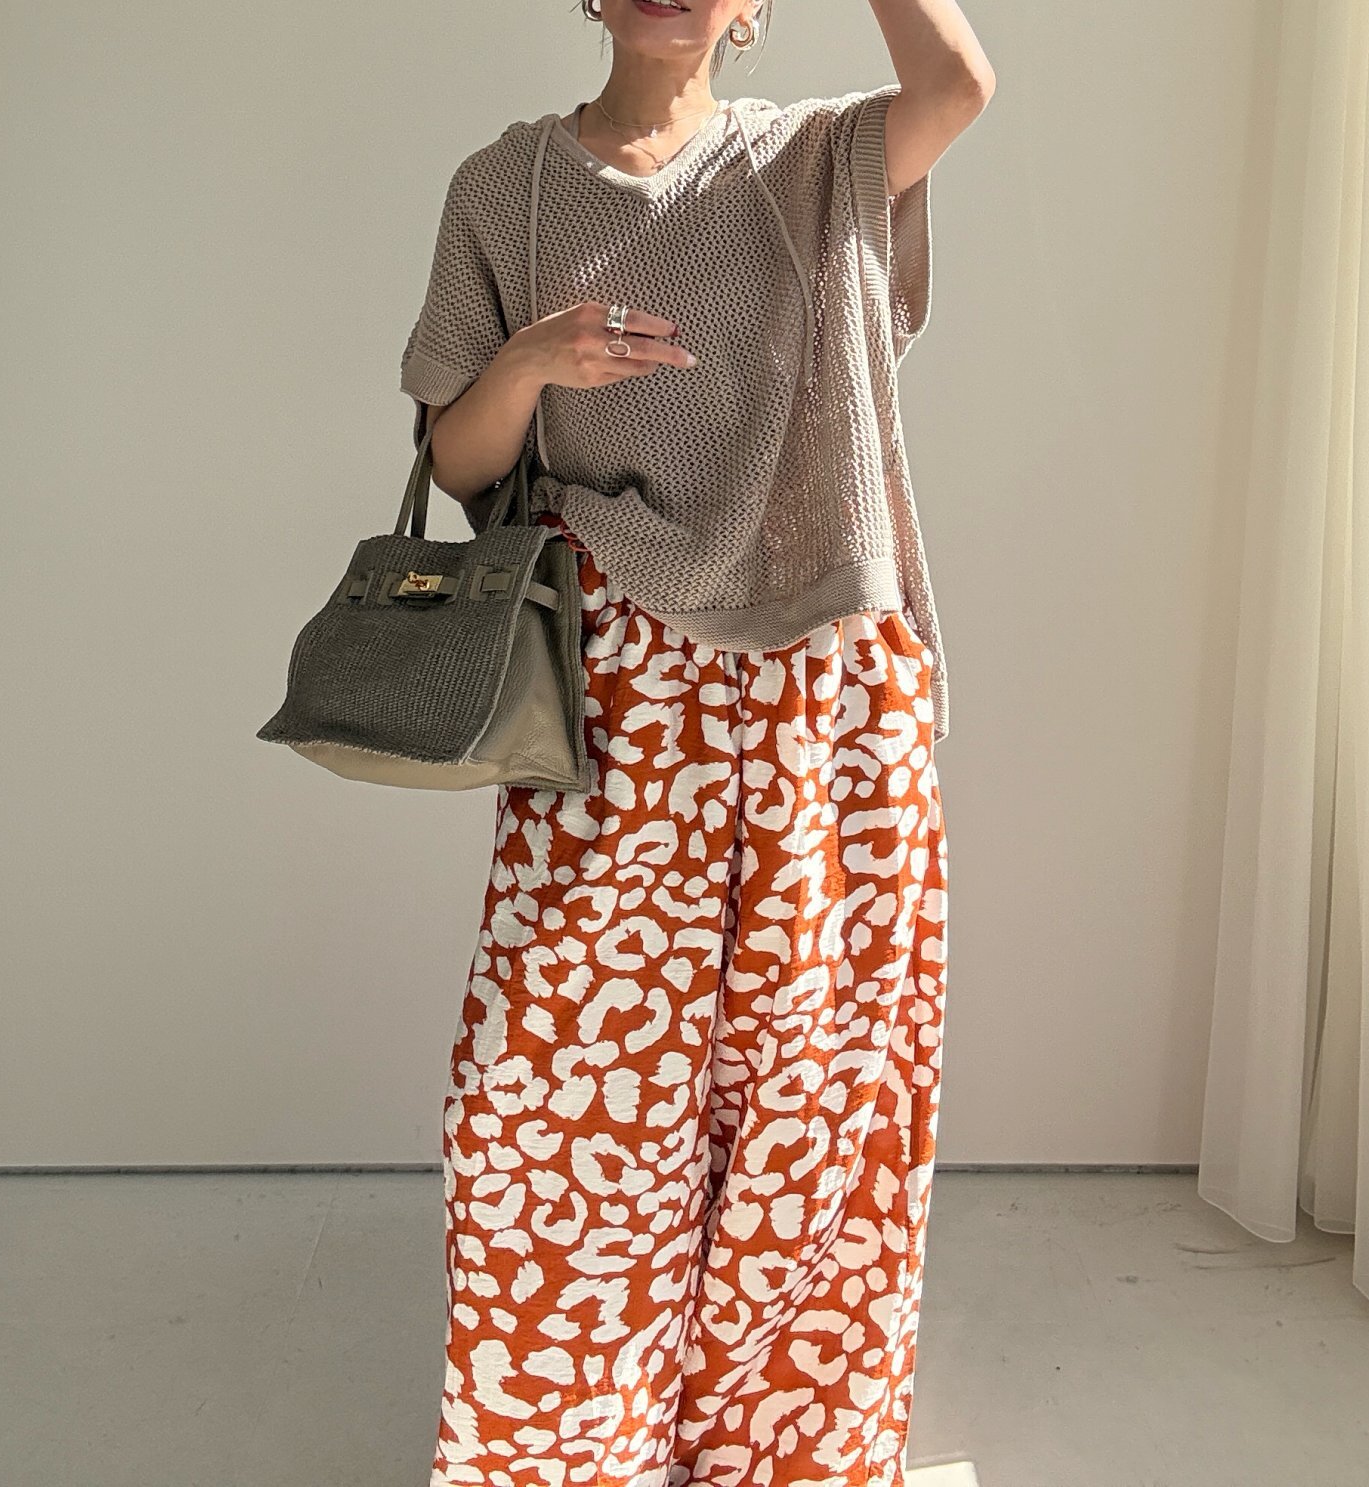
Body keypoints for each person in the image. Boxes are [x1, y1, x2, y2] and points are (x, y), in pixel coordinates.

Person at [400, 1, 994, 1481]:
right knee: (558, 1087)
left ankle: (782, 1451)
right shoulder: (506, 186)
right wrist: (530, 362)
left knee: (815, 1083)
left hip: (826, 685)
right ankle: (568, 1447)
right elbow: (455, 462)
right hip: (615, 684)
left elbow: (958, 81)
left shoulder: (820, 159)